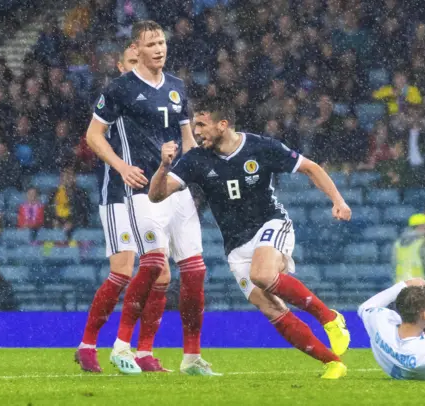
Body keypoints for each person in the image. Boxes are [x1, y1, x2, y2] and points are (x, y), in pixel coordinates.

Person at [148, 99, 351, 380]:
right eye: (195, 126)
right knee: (270, 307)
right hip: (235, 245)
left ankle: (329, 318)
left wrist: (337, 201)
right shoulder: (195, 159)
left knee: (262, 275)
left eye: (202, 125)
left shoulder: (260, 147)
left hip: (270, 224)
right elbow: (156, 195)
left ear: (223, 124)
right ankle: (332, 363)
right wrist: (163, 167)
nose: (196, 132)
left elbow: (311, 167)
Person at [85, 21, 214, 376]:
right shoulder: (119, 89)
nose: (159, 49)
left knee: (195, 271)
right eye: (151, 44)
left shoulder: (177, 87)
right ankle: (121, 347)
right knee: (154, 264)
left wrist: (201, 173)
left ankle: (191, 357)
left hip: (176, 187)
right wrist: (121, 166)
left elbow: (188, 141)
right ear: (136, 50)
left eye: (162, 43)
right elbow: (94, 135)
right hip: (140, 187)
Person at [76, 42, 171, 373]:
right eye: (131, 62)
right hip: (117, 191)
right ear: (120, 66)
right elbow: (93, 137)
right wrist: (120, 167)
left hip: (148, 191)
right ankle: (88, 346)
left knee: (161, 273)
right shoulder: (115, 95)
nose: (138, 67)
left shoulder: (154, 98)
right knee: (122, 271)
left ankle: (143, 351)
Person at [393, 213, 425, 295]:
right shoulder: (424, 243)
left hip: (401, 287)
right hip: (421, 288)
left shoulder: (398, 244)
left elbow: (394, 266)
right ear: (420, 226)